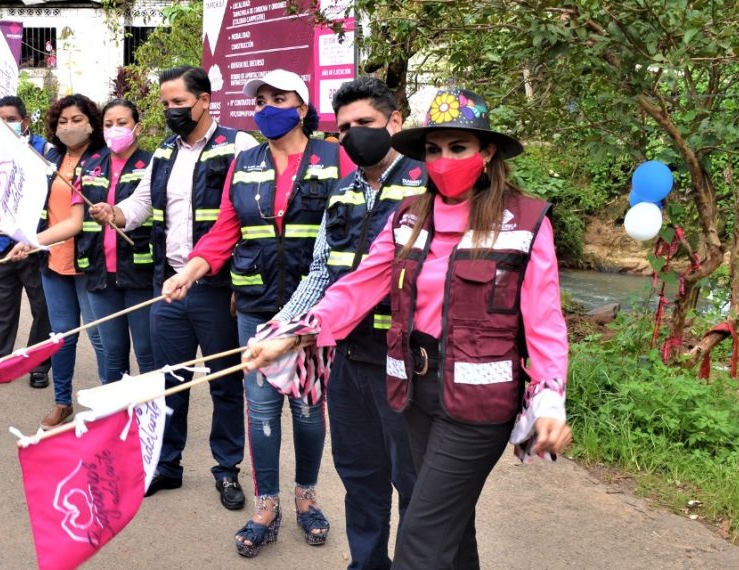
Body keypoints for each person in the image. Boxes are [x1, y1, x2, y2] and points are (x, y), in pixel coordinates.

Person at [245, 88, 573, 569]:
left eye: (458, 147)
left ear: (487, 154)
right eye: (434, 149)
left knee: (419, 542)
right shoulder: (410, 217)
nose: (444, 160)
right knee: (450, 531)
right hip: (413, 394)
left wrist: (549, 397)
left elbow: (543, 318)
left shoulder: (523, 220)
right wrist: (293, 333)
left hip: (478, 404)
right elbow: (357, 287)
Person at [161, 69, 344, 557]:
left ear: (302, 107)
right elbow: (224, 231)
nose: (266, 107)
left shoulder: (335, 157)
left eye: (278, 99)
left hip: (315, 307)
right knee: (261, 407)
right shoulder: (245, 161)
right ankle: (267, 505)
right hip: (257, 305)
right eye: (260, 100)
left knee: (307, 408)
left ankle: (306, 496)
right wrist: (191, 272)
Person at [272, 77, 426, 570]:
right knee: (360, 477)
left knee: (416, 482)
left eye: (366, 123)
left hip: (407, 363)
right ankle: (366, 564)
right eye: (344, 129)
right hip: (346, 360)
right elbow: (321, 270)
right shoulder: (341, 192)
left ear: (395, 123)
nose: (354, 135)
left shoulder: (428, 186)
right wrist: (284, 328)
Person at [89, 66, 258, 511]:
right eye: (165, 104)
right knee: (169, 383)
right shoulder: (164, 151)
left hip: (218, 287)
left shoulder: (239, 146)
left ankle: (227, 470)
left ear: (204, 100)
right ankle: (166, 465)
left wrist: (242, 280)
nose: (171, 111)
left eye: (179, 103)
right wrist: (115, 213)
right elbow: (141, 204)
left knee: (225, 386)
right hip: (168, 284)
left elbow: (251, 218)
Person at [8, 94, 108, 430]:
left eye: (77, 119)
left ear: (92, 122)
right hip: (54, 262)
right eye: (63, 121)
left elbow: (79, 222)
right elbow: (35, 205)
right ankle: (62, 402)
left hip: (88, 263)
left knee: (102, 339)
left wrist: (31, 243)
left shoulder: (102, 160)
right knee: (61, 336)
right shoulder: (53, 158)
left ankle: (113, 405)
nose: (69, 126)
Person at [75, 99, 156, 383]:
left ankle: (150, 420)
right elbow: (76, 218)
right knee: (112, 353)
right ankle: (116, 420)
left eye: (122, 123)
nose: (114, 130)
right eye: (109, 124)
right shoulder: (90, 165)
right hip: (100, 273)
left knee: (147, 353)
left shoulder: (153, 164)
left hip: (140, 273)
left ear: (138, 127)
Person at [0, 95, 53, 389]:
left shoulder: (47, 152)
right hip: (0, 244)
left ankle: (38, 366)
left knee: (43, 310)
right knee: (0, 308)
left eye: (11, 119)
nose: (5, 125)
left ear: (25, 121)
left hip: (37, 246)